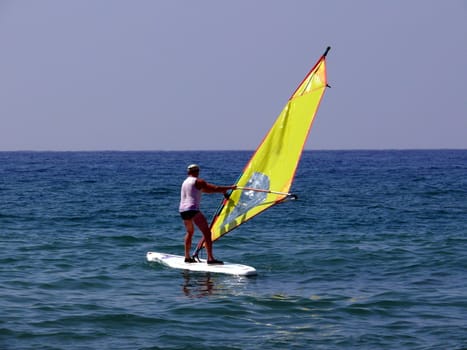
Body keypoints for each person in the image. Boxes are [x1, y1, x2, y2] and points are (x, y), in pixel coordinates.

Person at [179, 164, 236, 264]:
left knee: (190, 232)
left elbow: (207, 190)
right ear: (198, 171)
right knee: (207, 233)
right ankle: (210, 258)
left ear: (188, 172)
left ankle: (187, 257)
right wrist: (230, 187)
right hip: (193, 210)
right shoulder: (198, 181)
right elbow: (215, 188)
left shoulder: (185, 182)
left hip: (183, 210)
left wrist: (222, 191)